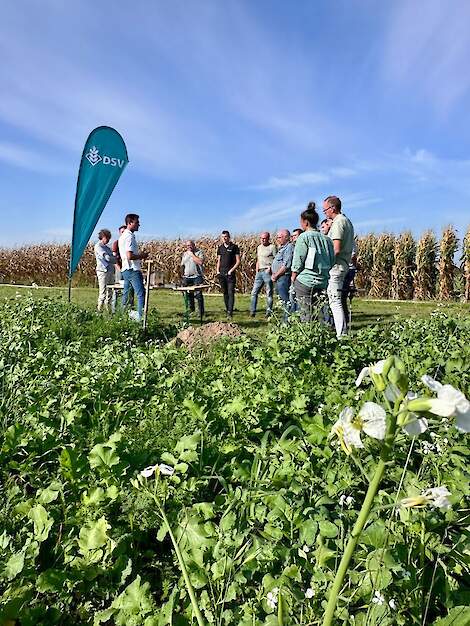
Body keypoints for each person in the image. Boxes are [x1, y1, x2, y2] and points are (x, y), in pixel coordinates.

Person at [291, 202, 335, 322]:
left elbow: (298, 260)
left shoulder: (304, 237)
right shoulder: (327, 240)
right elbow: (332, 260)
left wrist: (293, 277)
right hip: (323, 280)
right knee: (320, 313)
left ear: (305, 222)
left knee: (306, 314)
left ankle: (308, 337)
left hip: (306, 281)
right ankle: (321, 335)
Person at [323, 196, 355, 337]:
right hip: (343, 265)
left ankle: (341, 335)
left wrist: (325, 264)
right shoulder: (347, 221)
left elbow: (335, 249)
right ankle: (341, 333)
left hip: (336, 267)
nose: (325, 213)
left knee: (335, 302)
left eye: (325, 210)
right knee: (337, 301)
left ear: (333, 208)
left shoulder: (338, 222)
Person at [118, 213, 149, 322]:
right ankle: (141, 318)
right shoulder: (129, 237)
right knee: (141, 294)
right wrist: (142, 255)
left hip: (126, 269)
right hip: (132, 269)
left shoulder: (122, 237)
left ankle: (122, 317)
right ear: (130, 223)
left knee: (126, 294)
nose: (139, 225)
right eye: (137, 222)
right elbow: (130, 256)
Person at [250, 231, 276, 318]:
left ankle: (268, 312)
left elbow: (277, 260)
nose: (263, 240)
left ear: (268, 238)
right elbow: (258, 259)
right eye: (261, 238)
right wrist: (257, 270)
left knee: (268, 293)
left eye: (265, 238)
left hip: (267, 271)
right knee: (254, 292)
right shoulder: (259, 247)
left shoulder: (272, 247)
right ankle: (252, 311)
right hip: (259, 272)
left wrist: (271, 268)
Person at [216, 230, 241, 318]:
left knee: (231, 292)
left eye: (226, 236)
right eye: (223, 237)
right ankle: (227, 309)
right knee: (225, 293)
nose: (224, 238)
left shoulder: (234, 247)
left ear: (229, 237)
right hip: (221, 274)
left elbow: (238, 261)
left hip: (230, 274)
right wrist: (217, 271)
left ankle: (230, 312)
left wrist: (231, 270)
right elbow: (219, 260)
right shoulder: (220, 248)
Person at [271, 229, 294, 317]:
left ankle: (287, 321)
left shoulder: (289, 247)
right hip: (279, 277)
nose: (278, 239)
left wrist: (276, 275)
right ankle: (285, 319)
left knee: (285, 300)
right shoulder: (282, 248)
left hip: (283, 277)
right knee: (282, 299)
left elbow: (286, 264)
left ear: (286, 237)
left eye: (280, 237)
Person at [94, 229, 118, 312]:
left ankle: (109, 311)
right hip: (102, 271)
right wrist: (114, 258)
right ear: (102, 237)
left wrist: (113, 259)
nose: (107, 240)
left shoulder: (107, 248)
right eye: (106, 238)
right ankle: (99, 310)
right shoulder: (98, 246)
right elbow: (107, 258)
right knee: (103, 292)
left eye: (109, 238)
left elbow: (113, 259)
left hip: (110, 271)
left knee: (110, 292)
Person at [181, 240, 205, 318]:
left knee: (198, 295)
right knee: (188, 295)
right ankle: (191, 310)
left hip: (197, 276)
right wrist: (182, 275)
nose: (189, 247)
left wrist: (192, 255)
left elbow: (200, 262)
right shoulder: (184, 254)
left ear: (194, 245)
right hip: (187, 277)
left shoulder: (199, 252)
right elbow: (182, 265)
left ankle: (201, 312)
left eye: (190, 245)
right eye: (187, 246)